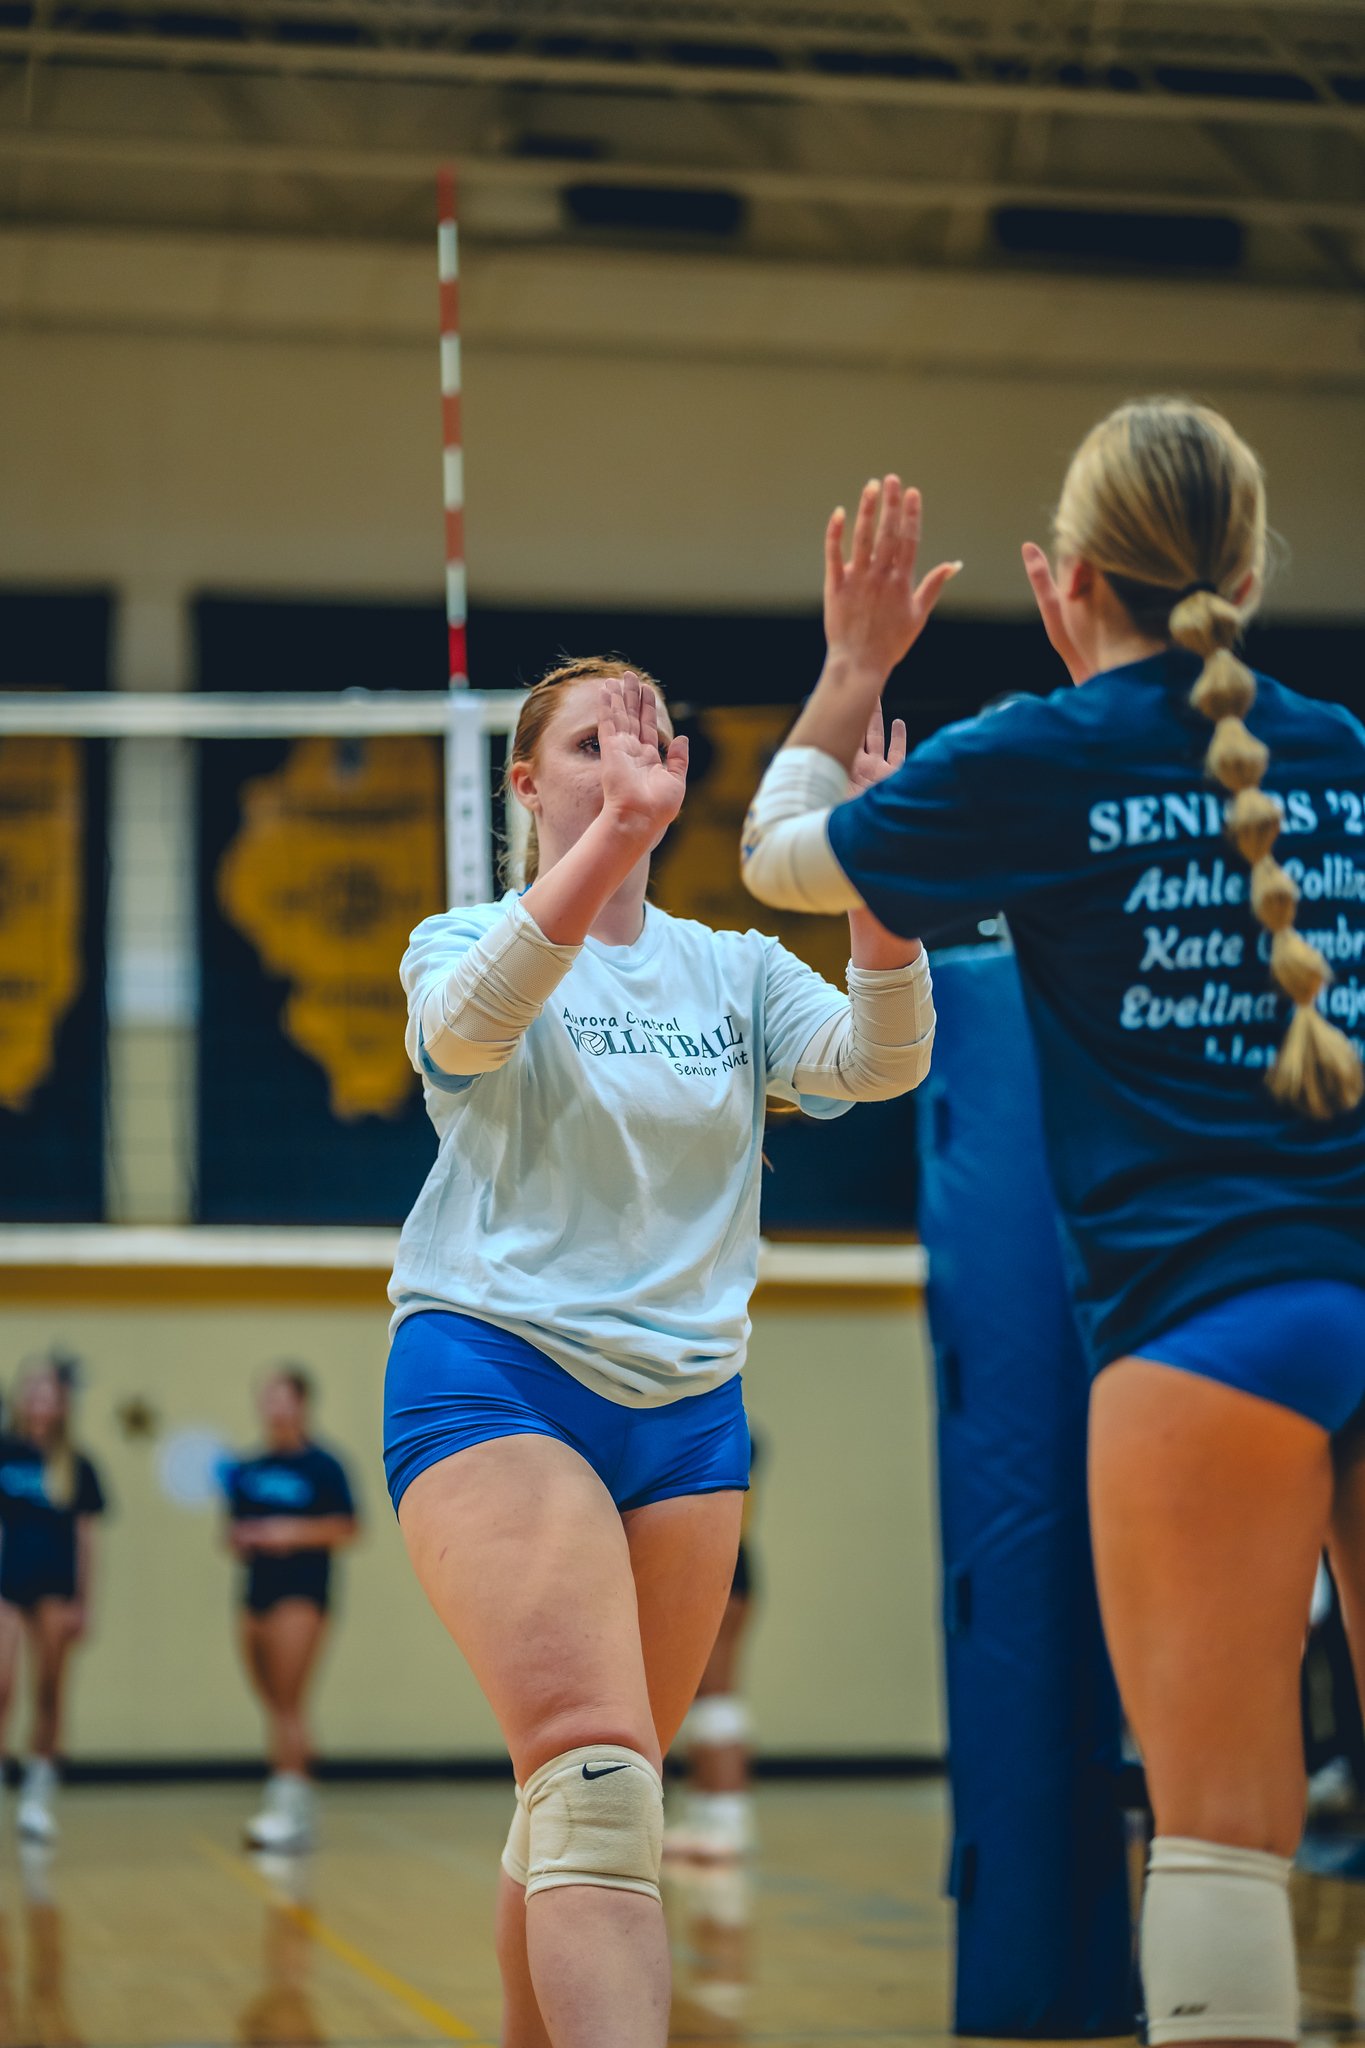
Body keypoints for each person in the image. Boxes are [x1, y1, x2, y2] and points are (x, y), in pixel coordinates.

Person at [739, 411, 1365, 2047]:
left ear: (1058, 580)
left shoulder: (1037, 754)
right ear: (1242, 574)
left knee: (1223, 1829)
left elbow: (774, 857)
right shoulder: (1350, 752)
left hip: (1208, 1325)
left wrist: (853, 666)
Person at [384, 654, 937, 2048]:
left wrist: (882, 903)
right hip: (497, 1372)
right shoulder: (462, 940)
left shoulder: (732, 969)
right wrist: (617, 841)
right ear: (525, 783)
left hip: (689, 1413)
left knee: (587, 1795)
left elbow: (880, 1063)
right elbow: (467, 1035)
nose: (628, 758)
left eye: (649, 738)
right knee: (595, 1783)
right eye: (589, 741)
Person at [223, 1367, 358, 1854]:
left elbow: (347, 1527)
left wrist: (288, 1532)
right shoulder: (249, 1467)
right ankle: (296, 1794)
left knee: (288, 1699)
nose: (275, 1407)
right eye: (268, 1398)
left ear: (303, 1404)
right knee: (273, 1701)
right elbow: (233, 1532)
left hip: (302, 1593)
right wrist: (245, 1537)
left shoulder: (324, 1465)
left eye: (284, 1398)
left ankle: (287, 1805)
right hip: (256, 1591)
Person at [0, 1354, 107, 1843]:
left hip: (56, 1587)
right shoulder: (4, 1452)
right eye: (32, 1390)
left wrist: (84, 1600)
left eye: (49, 1393)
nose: (40, 1401)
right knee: (3, 1683)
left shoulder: (76, 1465)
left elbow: (87, 1539)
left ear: (61, 1404)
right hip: (7, 1582)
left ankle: (38, 1793)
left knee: (48, 1688)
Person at [665, 1432, 763, 1862]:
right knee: (697, 1698)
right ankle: (708, 1815)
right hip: (708, 1562)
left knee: (715, 1699)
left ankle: (728, 1820)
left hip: (715, 1564)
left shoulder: (726, 1433)